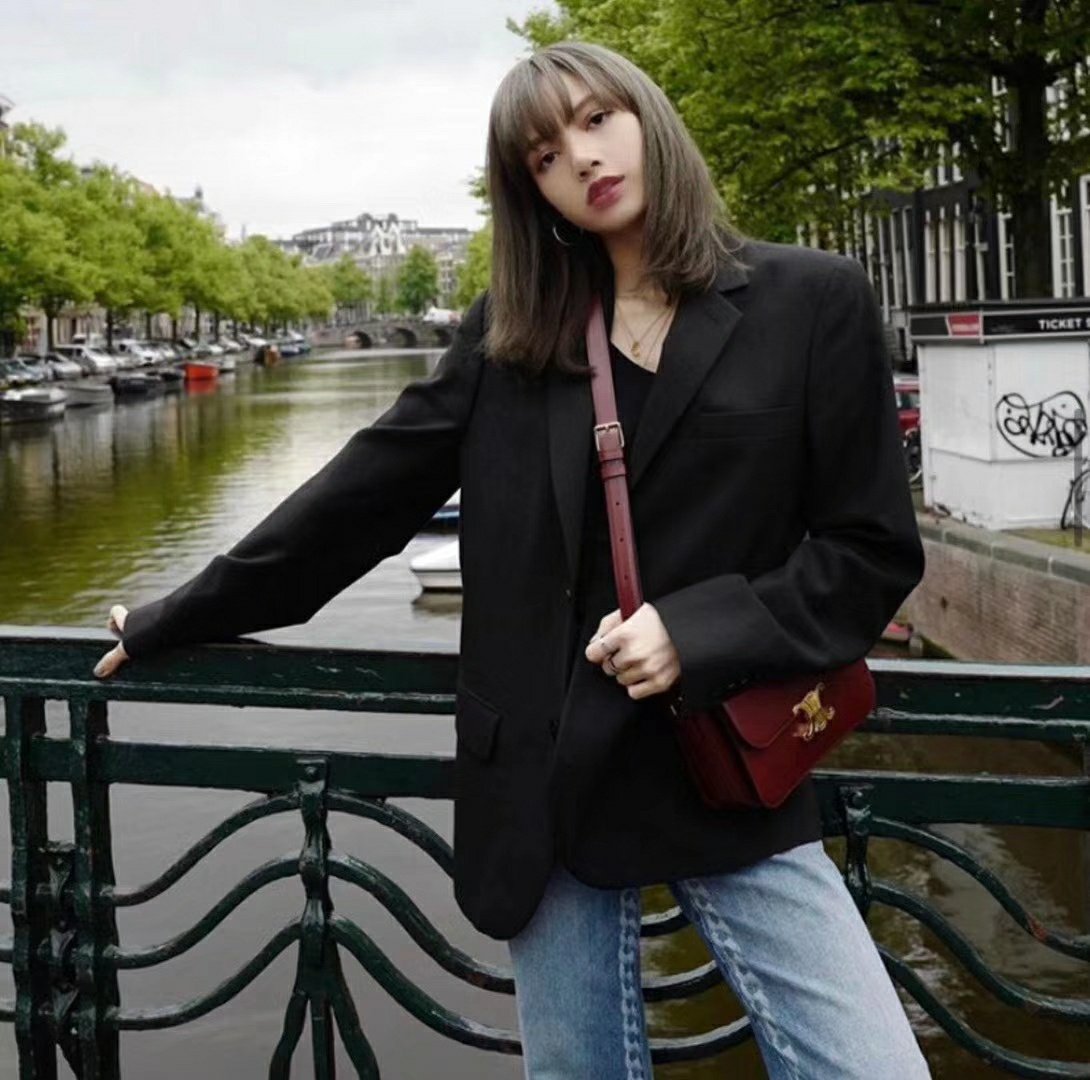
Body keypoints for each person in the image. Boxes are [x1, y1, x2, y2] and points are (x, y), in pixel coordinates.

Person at [94, 40, 931, 1080]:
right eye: (543, 155)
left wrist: (698, 631)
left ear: (648, 118)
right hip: (547, 781)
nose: (581, 159)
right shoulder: (516, 334)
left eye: (597, 120)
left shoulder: (810, 302)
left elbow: (869, 551)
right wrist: (178, 614)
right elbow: (361, 497)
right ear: (530, 190)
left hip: (726, 766)